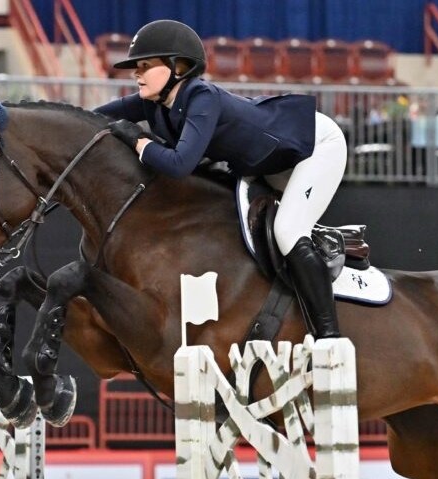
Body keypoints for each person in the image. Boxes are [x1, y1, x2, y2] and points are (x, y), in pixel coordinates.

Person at [94, 20, 346, 339]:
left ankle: (329, 336)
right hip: (268, 163)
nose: (136, 73)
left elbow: (179, 164)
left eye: (145, 65)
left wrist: (139, 142)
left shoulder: (201, 97)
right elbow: (93, 117)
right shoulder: (152, 102)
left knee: (287, 230)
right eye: (136, 67)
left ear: (178, 67)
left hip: (314, 146)